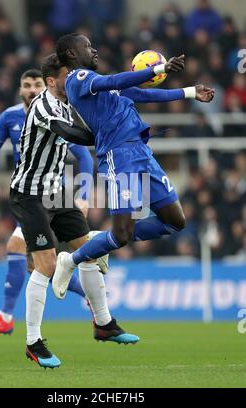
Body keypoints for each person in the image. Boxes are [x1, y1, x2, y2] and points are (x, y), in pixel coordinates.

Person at [53, 33, 214, 299]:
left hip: (142, 153)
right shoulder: (78, 80)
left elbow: (140, 92)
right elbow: (116, 79)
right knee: (122, 235)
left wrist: (189, 92)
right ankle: (69, 261)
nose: (94, 51)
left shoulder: (101, 85)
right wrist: (159, 67)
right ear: (71, 54)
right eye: (88, 46)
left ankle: (99, 239)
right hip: (119, 156)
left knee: (175, 222)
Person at [9, 54, 139, 369]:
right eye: (68, 75)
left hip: (57, 192)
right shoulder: (44, 106)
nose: (73, 79)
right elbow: (70, 134)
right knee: (46, 264)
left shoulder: (68, 102)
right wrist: (106, 136)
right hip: (30, 195)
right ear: (52, 81)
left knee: (89, 251)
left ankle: (104, 323)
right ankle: (33, 342)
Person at [0, 69, 94, 336]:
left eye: (36, 84)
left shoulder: (55, 112)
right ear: (20, 89)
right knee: (39, 263)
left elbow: (85, 157)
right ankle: (90, 299)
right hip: (29, 193)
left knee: (21, 248)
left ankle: (7, 317)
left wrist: (84, 195)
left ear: (44, 86)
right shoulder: (9, 117)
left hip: (52, 195)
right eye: (26, 85)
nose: (31, 89)